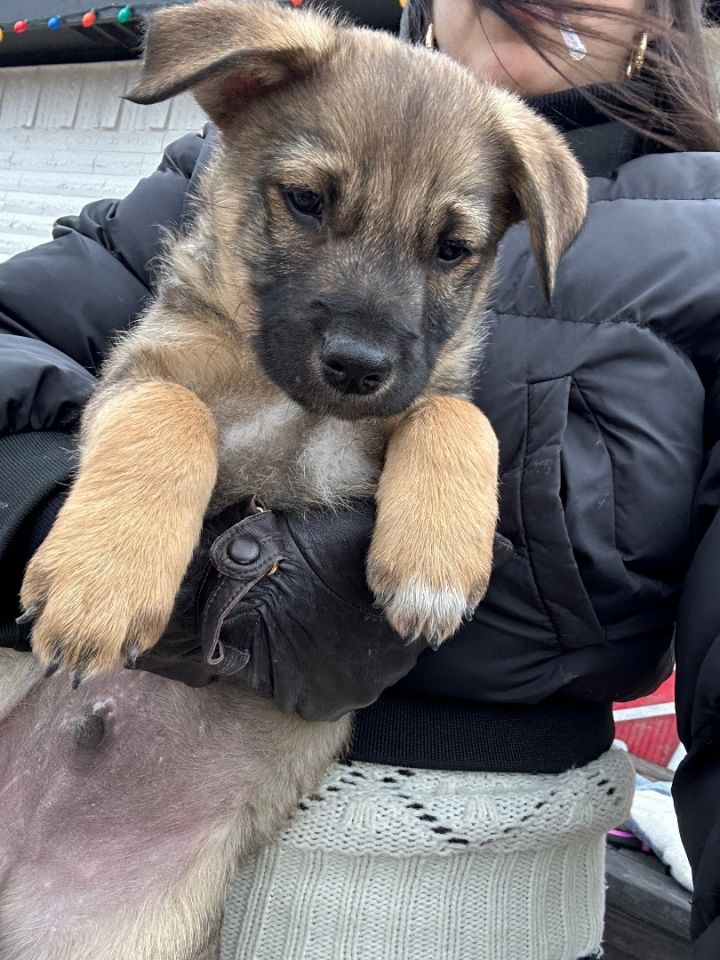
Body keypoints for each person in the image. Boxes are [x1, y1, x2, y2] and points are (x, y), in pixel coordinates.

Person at [0, 0, 719, 957]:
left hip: (269, 871)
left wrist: (449, 443)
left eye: (449, 248)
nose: (362, 337)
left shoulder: (694, 232)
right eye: (308, 203)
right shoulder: (221, 164)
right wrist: (61, 503)